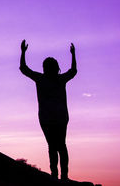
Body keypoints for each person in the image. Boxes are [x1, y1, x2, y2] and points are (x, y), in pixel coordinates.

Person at [19, 40, 77, 181]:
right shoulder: (58, 79)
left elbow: (23, 68)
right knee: (60, 146)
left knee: (54, 146)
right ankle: (61, 176)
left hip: (49, 118)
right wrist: (73, 55)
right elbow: (73, 71)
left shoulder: (42, 78)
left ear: (46, 67)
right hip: (57, 117)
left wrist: (23, 52)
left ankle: (57, 175)